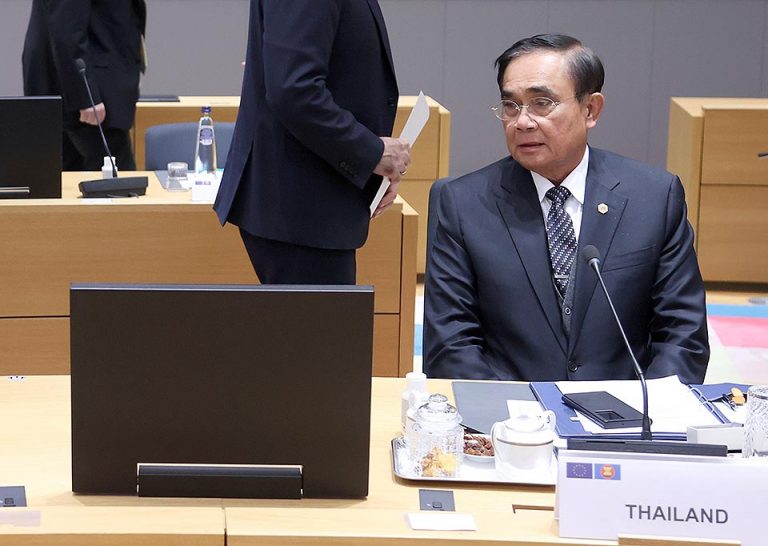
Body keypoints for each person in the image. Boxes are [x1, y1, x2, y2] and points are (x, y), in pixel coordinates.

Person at [424, 34, 709, 384]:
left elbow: (682, 333)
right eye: (511, 106)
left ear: (591, 109)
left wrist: (651, 409)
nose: (522, 122)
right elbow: (450, 344)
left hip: (625, 410)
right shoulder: (463, 203)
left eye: (541, 103)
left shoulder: (653, 196)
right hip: (509, 410)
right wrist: (510, 413)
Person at [214, 0, 411, 285]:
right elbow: (295, 90)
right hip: (301, 209)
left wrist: (371, 164)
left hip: (312, 205)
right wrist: (371, 153)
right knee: (321, 316)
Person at [22, 0, 146, 171]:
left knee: (70, 178)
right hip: (87, 90)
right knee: (118, 180)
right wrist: (85, 95)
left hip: (75, 85)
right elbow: (66, 28)